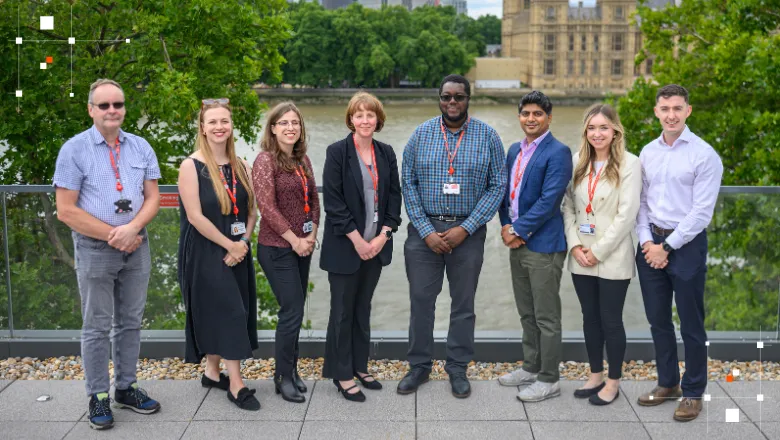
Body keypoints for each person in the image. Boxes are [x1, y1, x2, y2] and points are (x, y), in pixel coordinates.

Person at [54, 79, 161, 430]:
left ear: (125, 108)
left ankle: (125, 388)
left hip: (137, 247)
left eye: (118, 104)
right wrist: (116, 235)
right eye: (104, 106)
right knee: (97, 327)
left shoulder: (141, 146)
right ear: (91, 110)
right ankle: (98, 396)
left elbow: (153, 198)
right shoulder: (74, 149)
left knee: (130, 322)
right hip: (95, 249)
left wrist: (132, 230)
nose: (112, 110)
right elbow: (66, 210)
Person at [398, 74, 506, 399]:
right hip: (423, 234)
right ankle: (419, 366)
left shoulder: (488, 136)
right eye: (446, 97)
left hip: (467, 232)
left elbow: (497, 185)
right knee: (421, 302)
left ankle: (457, 368)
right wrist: (426, 230)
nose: (452, 103)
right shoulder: (421, 135)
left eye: (459, 97)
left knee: (463, 305)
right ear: (439, 99)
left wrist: (466, 227)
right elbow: (409, 183)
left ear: (468, 98)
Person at [635, 84, 723, 422]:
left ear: (688, 111)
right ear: (656, 112)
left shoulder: (704, 154)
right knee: (658, 321)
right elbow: (641, 203)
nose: (671, 114)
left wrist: (666, 247)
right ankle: (668, 383)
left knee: (690, 323)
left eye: (677, 108)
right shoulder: (647, 152)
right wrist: (647, 243)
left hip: (685, 247)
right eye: (665, 108)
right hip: (650, 243)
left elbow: (701, 214)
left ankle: (693, 391)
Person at [177, 98, 260, 411]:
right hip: (206, 251)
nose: (219, 127)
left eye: (224, 121)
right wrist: (230, 246)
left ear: (231, 126)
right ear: (202, 127)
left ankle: (213, 372)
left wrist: (244, 242)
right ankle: (236, 384)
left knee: (229, 307)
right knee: (229, 312)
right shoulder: (191, 166)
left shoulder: (242, 166)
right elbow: (195, 217)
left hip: (238, 250)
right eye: (212, 122)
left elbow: (251, 209)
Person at [321, 92, 402, 402]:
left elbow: (394, 197)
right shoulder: (337, 152)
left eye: (371, 115)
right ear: (351, 119)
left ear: (377, 120)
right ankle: (342, 374)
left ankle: (359, 365)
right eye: (359, 115)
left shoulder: (386, 153)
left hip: (376, 246)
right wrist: (358, 241)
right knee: (341, 311)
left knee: (362, 309)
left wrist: (383, 236)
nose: (365, 120)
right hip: (346, 248)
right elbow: (334, 202)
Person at [561, 104, 641, 405]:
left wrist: (598, 251)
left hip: (613, 256)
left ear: (615, 131)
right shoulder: (577, 161)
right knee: (589, 318)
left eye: (603, 128)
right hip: (580, 255)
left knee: (611, 319)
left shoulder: (630, 164)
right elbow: (567, 206)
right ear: (586, 131)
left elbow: (627, 214)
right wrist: (575, 246)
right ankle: (594, 374)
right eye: (592, 128)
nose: (597, 133)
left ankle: (613, 380)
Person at [497, 91, 573, 402]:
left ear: (549, 117)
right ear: (520, 117)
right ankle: (530, 366)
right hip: (516, 242)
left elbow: (549, 200)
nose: (531, 119)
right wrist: (505, 226)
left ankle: (549, 378)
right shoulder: (514, 149)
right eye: (526, 113)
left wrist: (517, 229)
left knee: (546, 316)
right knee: (526, 312)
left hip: (543, 245)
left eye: (537, 114)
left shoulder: (558, 152)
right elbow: (505, 193)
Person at [253, 102, 320, 404]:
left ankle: (291, 371)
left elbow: (315, 203)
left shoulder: (302, 159)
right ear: (273, 128)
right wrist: (295, 240)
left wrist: (312, 236)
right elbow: (267, 208)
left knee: (295, 310)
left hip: (303, 246)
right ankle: (282, 377)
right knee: (291, 311)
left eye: (295, 122)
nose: (291, 127)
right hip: (277, 248)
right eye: (284, 123)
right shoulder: (264, 161)